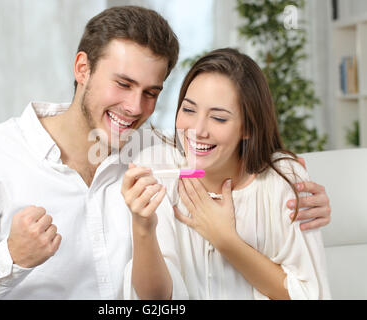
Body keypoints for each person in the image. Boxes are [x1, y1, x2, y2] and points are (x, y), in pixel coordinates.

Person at [0, 6, 330, 299]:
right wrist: (11, 256)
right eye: (122, 84)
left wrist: (289, 179)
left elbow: (227, 160)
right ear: (82, 69)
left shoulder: (159, 157)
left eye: (151, 93)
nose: (135, 107)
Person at [122, 48, 331, 300]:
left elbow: (309, 295)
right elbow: (155, 299)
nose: (197, 130)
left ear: (248, 128)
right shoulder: (156, 168)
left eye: (218, 118)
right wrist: (142, 227)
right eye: (188, 110)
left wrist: (225, 240)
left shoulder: (283, 181)